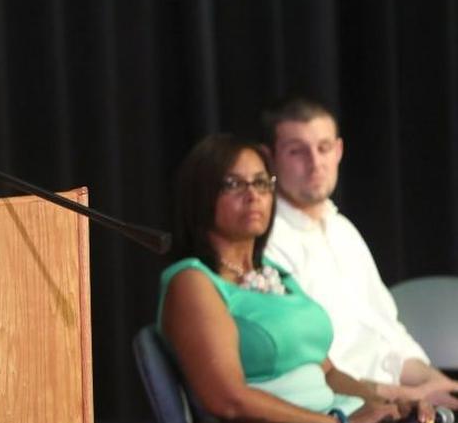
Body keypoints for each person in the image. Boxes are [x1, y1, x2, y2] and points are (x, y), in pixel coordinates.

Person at [159, 134, 433, 423]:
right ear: (200, 196)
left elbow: (327, 372)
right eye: (234, 184)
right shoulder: (192, 281)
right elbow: (229, 400)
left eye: (262, 183)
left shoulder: (275, 273)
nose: (253, 195)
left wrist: (387, 404)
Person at [262, 97, 458, 408]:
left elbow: (388, 334)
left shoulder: (343, 231)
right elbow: (306, 371)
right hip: (346, 406)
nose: (315, 163)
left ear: (338, 151)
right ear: (271, 159)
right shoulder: (268, 243)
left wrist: (433, 382)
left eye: (324, 148)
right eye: (297, 151)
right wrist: (404, 396)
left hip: (397, 397)